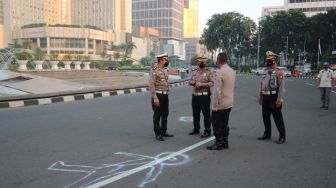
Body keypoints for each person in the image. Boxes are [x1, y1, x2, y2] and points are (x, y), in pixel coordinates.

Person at [207, 52, 236, 150]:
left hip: (220, 104)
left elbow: (217, 91)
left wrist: (215, 105)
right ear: (226, 60)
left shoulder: (220, 72)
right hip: (229, 102)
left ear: (218, 60)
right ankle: (225, 142)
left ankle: (218, 143)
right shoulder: (232, 71)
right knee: (225, 123)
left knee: (216, 124)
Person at [257, 51, 286, 144]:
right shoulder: (265, 71)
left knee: (277, 117)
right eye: (267, 60)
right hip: (265, 96)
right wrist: (260, 97)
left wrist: (279, 99)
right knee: (265, 116)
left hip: (274, 96)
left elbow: (281, 88)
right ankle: (267, 133)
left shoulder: (279, 72)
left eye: (270, 60)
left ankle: (282, 136)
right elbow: (262, 85)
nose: (268, 61)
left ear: (274, 60)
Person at [149, 52, 173, 141]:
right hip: (158, 95)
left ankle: (164, 131)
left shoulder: (164, 70)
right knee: (157, 115)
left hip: (165, 95)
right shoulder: (154, 70)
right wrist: (155, 97)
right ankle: (157, 133)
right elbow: (152, 84)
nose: (168, 61)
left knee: (165, 114)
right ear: (162, 60)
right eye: (167, 59)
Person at [188, 55, 214, 138]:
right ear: (197, 62)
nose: (201, 62)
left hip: (204, 96)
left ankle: (207, 130)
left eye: (203, 61)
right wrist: (194, 83)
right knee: (195, 114)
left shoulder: (209, 72)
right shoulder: (194, 71)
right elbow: (189, 80)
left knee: (206, 114)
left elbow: (212, 83)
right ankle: (196, 128)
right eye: (200, 61)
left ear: (206, 62)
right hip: (195, 96)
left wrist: (202, 84)